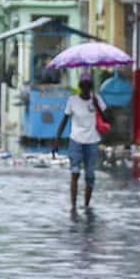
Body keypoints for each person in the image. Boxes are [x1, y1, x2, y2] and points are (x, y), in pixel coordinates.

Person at [54, 75, 107, 212]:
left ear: (90, 87)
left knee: (90, 175)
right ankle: (73, 206)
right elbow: (65, 120)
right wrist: (57, 139)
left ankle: (86, 205)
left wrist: (96, 105)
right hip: (75, 141)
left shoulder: (97, 99)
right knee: (75, 172)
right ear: (79, 87)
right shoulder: (72, 100)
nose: (85, 88)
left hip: (92, 141)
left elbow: (106, 118)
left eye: (88, 85)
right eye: (83, 85)